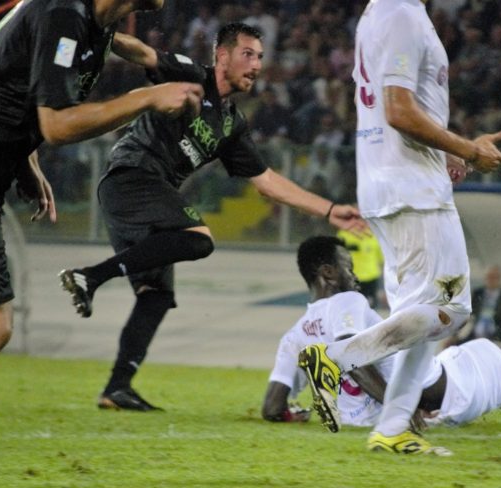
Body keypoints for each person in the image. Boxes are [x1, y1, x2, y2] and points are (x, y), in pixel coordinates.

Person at [0, 0, 205, 488]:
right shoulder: (61, 12)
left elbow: (0, 76)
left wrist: (23, 159)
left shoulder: (89, 26)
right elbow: (57, 123)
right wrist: (148, 97)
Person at [58, 23, 365, 413]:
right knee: (198, 238)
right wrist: (97, 28)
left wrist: (328, 209)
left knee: (156, 297)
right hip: (132, 177)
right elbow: (143, 53)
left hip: (151, 195)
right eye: (248, 54)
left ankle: (116, 387)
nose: (256, 65)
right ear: (222, 56)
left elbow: (267, 182)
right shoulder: (191, 75)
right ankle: (92, 276)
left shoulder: (232, 124)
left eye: (260, 57)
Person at [297, 0, 501, 456]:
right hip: (411, 189)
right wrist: (468, 150)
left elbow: (393, 111)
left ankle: (393, 425)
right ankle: (336, 357)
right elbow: (398, 110)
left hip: (392, 182)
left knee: (416, 316)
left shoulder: (379, 14)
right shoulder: (401, 14)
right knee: (451, 310)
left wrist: (448, 153)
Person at [263, 237, 501, 441]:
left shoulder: (294, 335)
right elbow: (352, 357)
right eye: (348, 267)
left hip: (425, 404)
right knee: (500, 355)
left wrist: (293, 413)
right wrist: (397, 410)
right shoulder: (348, 301)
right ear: (327, 271)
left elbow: (272, 405)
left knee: (498, 383)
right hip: (438, 391)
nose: (356, 276)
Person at [462, 264, 501, 343]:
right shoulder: (477, 293)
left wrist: (493, 339)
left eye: (494, 277)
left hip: (499, 337)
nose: (490, 280)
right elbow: (469, 315)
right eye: (488, 277)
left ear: (500, 279)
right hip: (474, 335)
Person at [336, 228, 384, 309]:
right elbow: (337, 255)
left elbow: (381, 258)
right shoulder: (343, 235)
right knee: (351, 307)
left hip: (371, 277)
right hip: (351, 278)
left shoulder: (374, 235)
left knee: (370, 306)